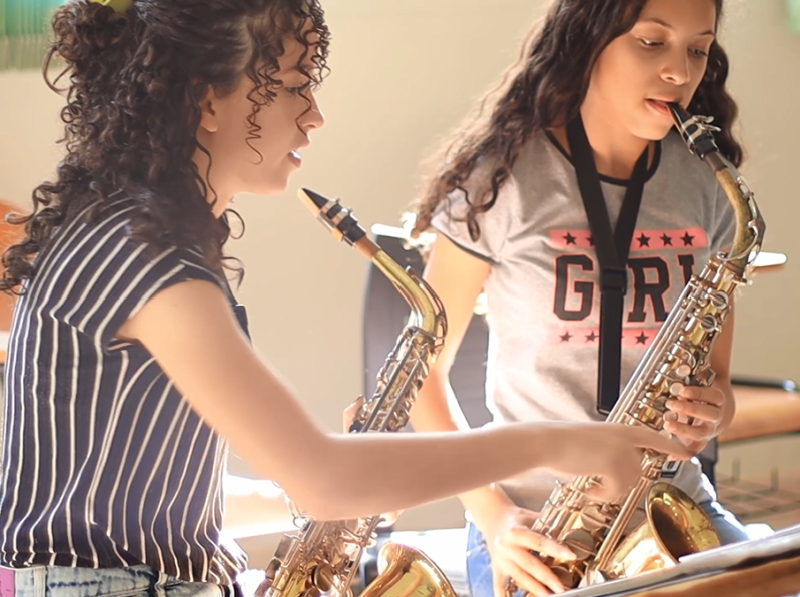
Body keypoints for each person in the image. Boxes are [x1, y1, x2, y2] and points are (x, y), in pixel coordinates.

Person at [0, 1, 690, 597]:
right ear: (207, 99)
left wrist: (297, 506)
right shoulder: (143, 254)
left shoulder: (125, 230)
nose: (315, 115)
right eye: (295, 87)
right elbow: (324, 475)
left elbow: (129, 496)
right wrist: (557, 441)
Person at [407, 1, 751, 596]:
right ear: (588, 39)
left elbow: (718, 382)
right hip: (538, 528)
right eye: (651, 42)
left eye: (698, 49)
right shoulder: (502, 179)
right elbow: (421, 378)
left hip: (670, 506)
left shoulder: (709, 186)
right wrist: (494, 518)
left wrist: (713, 408)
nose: (679, 71)